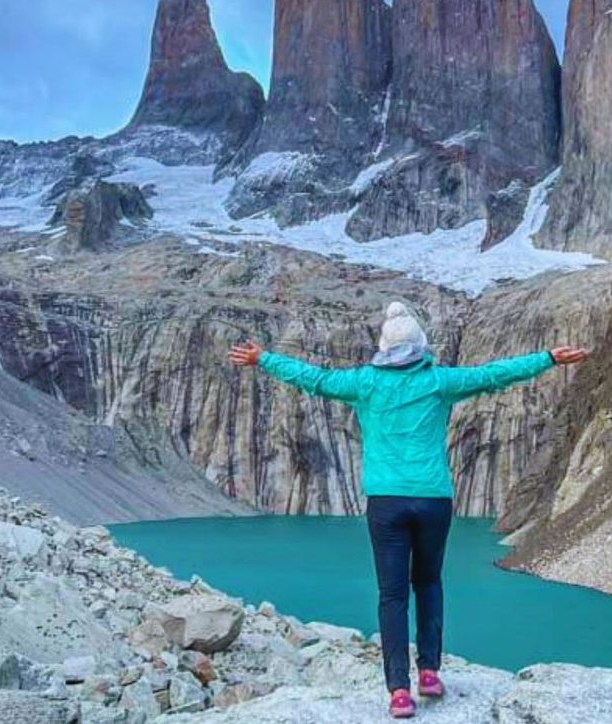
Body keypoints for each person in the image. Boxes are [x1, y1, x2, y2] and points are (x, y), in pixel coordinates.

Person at [228, 301, 586, 719]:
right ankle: (429, 672)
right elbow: (493, 375)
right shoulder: (439, 381)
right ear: (420, 344)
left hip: (386, 501)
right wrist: (547, 358)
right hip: (433, 499)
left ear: (383, 345)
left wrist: (263, 358)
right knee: (429, 583)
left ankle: (399, 691)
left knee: (392, 594)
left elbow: (315, 379)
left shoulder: (365, 382)